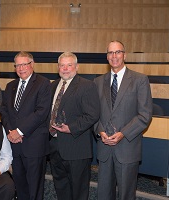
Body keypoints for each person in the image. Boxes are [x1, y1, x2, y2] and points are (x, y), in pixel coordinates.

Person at [94, 40, 153, 200]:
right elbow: (94, 114)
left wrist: (123, 134)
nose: (114, 56)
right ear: (107, 56)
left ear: (124, 55)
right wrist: (99, 131)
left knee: (126, 195)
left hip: (127, 147)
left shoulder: (140, 80)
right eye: (111, 53)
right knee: (104, 194)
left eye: (118, 52)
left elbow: (145, 115)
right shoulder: (98, 82)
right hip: (105, 148)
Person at [0, 51, 51, 200]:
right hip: (14, 145)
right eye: (18, 65)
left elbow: (41, 112)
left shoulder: (43, 83)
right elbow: (4, 110)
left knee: (34, 189)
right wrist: (11, 131)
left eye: (24, 64)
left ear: (32, 64)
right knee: (19, 186)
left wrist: (19, 131)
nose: (21, 68)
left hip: (33, 145)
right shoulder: (10, 86)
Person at [49, 52, 100, 200]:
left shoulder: (87, 85)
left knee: (78, 190)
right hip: (54, 145)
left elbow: (92, 115)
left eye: (69, 65)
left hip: (77, 147)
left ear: (77, 67)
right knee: (60, 186)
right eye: (62, 65)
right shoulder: (53, 85)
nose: (65, 68)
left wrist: (70, 128)